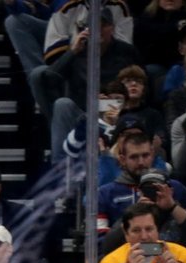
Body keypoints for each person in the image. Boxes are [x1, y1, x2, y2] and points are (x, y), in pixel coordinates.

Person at [30, 7, 140, 161]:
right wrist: (71, 52)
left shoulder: (126, 52)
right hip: (82, 114)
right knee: (62, 104)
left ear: (112, 28)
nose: (99, 29)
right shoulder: (78, 51)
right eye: (94, 25)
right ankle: (60, 170)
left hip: (115, 112)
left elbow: (140, 82)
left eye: (103, 25)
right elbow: (49, 81)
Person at [97, 133, 186, 256]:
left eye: (145, 155)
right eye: (134, 157)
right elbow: (101, 246)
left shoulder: (174, 188)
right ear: (122, 159)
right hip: (125, 260)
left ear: (152, 154)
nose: (141, 162)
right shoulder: (105, 193)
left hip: (174, 259)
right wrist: (135, 214)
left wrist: (172, 207)